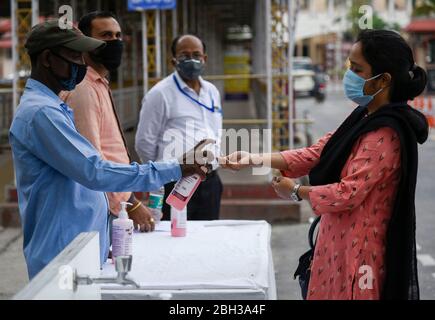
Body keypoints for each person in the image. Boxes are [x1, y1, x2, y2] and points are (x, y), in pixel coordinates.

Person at [221, 30, 428, 300]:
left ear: (383, 80)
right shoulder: (364, 117)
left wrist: (295, 191)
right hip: (337, 245)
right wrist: (253, 158)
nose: (349, 76)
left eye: (357, 69)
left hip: (359, 257)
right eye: (349, 67)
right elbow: (317, 152)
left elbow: (347, 193)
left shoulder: (385, 135)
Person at [9, 20, 212, 279]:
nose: (81, 63)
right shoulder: (42, 114)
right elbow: (95, 171)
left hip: (78, 252)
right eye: (74, 55)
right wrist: (175, 166)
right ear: (48, 58)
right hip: (61, 258)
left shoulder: (53, 107)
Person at [60, 12, 155, 234]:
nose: (115, 42)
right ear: (85, 43)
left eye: (118, 35)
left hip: (114, 202)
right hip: (105, 207)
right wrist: (130, 204)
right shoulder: (84, 90)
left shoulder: (98, 84)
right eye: (106, 36)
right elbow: (94, 163)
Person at [135, 34, 223, 221]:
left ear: (204, 59)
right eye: (184, 55)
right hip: (174, 182)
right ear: (173, 60)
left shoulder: (212, 92)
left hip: (209, 181)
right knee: (172, 238)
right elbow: (144, 142)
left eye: (196, 55)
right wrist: (161, 175)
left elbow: (215, 132)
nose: (191, 60)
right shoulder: (160, 94)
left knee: (208, 239)